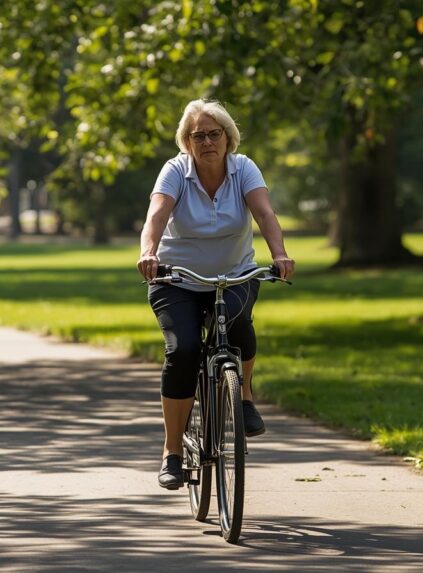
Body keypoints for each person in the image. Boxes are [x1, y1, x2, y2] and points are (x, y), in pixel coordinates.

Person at [137, 99, 295, 490]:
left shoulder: (244, 169)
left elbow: (264, 213)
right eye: (198, 135)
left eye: (214, 133)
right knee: (184, 350)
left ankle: (243, 396)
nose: (207, 141)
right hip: (177, 279)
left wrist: (278, 254)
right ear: (187, 142)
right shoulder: (175, 171)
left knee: (239, 322)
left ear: (228, 137)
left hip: (234, 274)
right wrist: (148, 252)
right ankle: (172, 452)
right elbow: (156, 215)